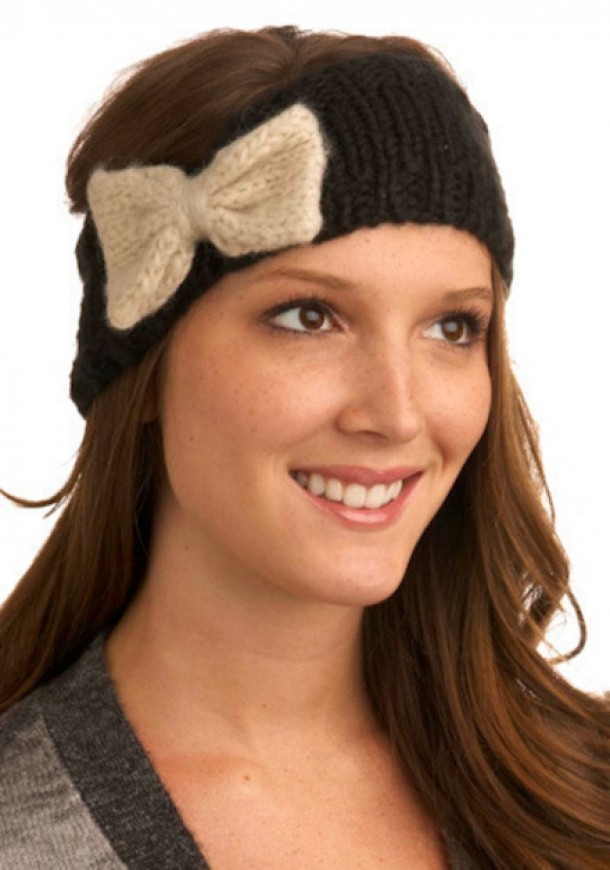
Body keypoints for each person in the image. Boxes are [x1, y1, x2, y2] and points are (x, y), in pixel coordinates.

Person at [0, 25, 608, 869]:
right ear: (146, 366)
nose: (397, 414)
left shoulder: (588, 788)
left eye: (451, 327)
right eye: (309, 317)